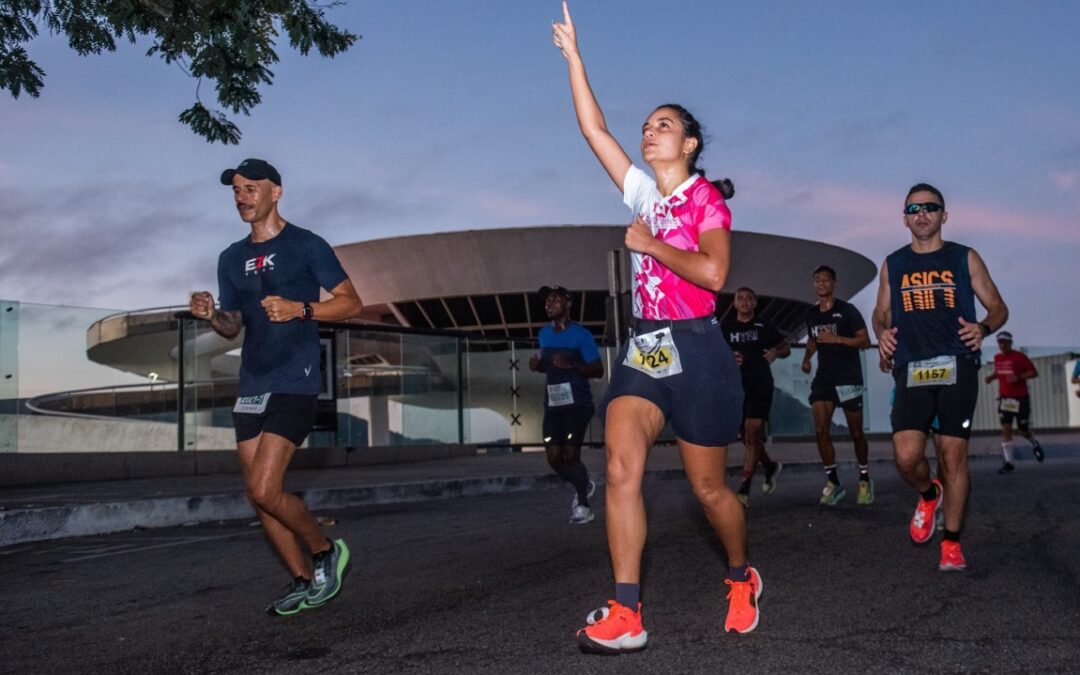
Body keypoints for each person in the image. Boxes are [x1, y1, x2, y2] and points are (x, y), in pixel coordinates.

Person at [553, 2, 761, 655]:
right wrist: (575, 59)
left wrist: (651, 245)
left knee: (709, 489)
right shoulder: (643, 192)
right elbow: (594, 129)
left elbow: (714, 273)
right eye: (645, 127)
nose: (649, 133)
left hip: (698, 346)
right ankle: (626, 611)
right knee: (621, 468)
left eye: (663, 125)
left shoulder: (705, 199)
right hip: (647, 342)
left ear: (689, 143)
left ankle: (741, 576)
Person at [189, 158, 363, 615]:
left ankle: (326, 551)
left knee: (267, 489)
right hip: (252, 382)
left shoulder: (306, 244)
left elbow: (351, 303)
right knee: (258, 495)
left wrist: (300, 309)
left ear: (276, 193)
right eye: (236, 190)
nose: (241, 197)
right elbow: (233, 326)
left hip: (295, 379)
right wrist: (211, 314)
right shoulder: (230, 258)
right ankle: (302, 579)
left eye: (251, 188)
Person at [872, 183, 1008, 573]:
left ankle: (951, 542)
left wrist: (983, 328)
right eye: (913, 209)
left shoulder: (964, 257)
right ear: (904, 218)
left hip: (957, 364)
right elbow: (881, 313)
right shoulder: (894, 263)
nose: (922, 214)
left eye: (930, 207)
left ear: (943, 215)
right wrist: (882, 334)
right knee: (906, 457)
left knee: (952, 456)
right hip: (911, 367)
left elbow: (998, 307)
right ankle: (929, 493)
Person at [528, 285, 605, 524]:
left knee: (572, 455)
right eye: (547, 301)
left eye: (555, 299)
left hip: (578, 403)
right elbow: (549, 365)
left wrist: (572, 365)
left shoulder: (581, 335)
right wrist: (538, 366)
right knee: (554, 458)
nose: (548, 304)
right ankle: (583, 484)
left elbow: (598, 369)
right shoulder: (544, 334)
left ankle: (583, 506)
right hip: (553, 404)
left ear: (568, 304)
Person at [801, 265, 873, 506]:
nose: (821, 283)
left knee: (856, 433)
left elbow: (865, 341)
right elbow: (812, 340)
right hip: (824, 378)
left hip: (849, 376)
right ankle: (834, 483)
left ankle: (864, 478)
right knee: (821, 430)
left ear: (834, 284)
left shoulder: (847, 311)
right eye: (817, 280)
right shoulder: (812, 314)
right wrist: (806, 359)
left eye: (826, 280)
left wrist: (837, 339)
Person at [721, 287, 790, 506]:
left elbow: (786, 349)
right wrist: (728, 357)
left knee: (752, 433)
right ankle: (770, 467)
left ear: (755, 303)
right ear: (734, 303)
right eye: (740, 298)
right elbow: (715, 354)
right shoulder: (726, 328)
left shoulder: (764, 326)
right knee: (746, 436)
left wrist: (775, 352)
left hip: (760, 384)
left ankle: (744, 489)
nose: (744, 302)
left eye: (748, 298)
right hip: (736, 387)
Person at [984, 331, 1043, 473]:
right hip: (1005, 399)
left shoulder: (1019, 357)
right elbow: (1000, 372)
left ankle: (1034, 442)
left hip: (1020, 398)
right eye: (1000, 342)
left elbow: (1034, 372)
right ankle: (1009, 462)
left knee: (1023, 430)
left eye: (1005, 342)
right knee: (1006, 428)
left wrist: (1019, 377)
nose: (1002, 345)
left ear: (1010, 343)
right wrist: (991, 377)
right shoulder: (997, 358)